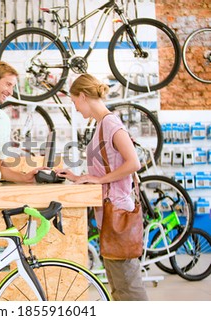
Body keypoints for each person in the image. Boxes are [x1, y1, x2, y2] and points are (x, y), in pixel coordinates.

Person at [56, 74, 149, 301]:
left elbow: (133, 162)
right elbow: (107, 167)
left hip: (117, 212)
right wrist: (80, 177)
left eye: (74, 101)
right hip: (109, 214)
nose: (75, 108)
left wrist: (100, 180)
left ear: (83, 96)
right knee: (118, 285)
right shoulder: (101, 125)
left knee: (128, 285)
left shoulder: (110, 123)